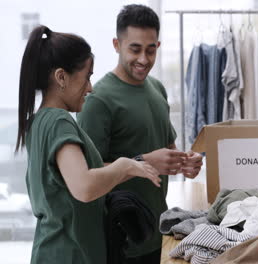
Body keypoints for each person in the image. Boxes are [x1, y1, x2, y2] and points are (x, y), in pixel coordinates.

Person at [15, 25, 161, 264]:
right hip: (70, 255)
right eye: (87, 77)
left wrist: (135, 165)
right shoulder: (59, 122)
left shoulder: (39, 122)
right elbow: (84, 186)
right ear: (61, 77)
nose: (90, 87)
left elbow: (78, 182)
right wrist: (124, 165)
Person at [77, 4, 203, 263]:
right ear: (116, 44)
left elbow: (168, 149)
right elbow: (85, 177)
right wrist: (143, 162)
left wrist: (185, 162)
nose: (144, 59)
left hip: (158, 230)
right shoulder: (97, 100)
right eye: (135, 49)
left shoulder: (157, 89)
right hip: (119, 240)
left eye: (151, 49)